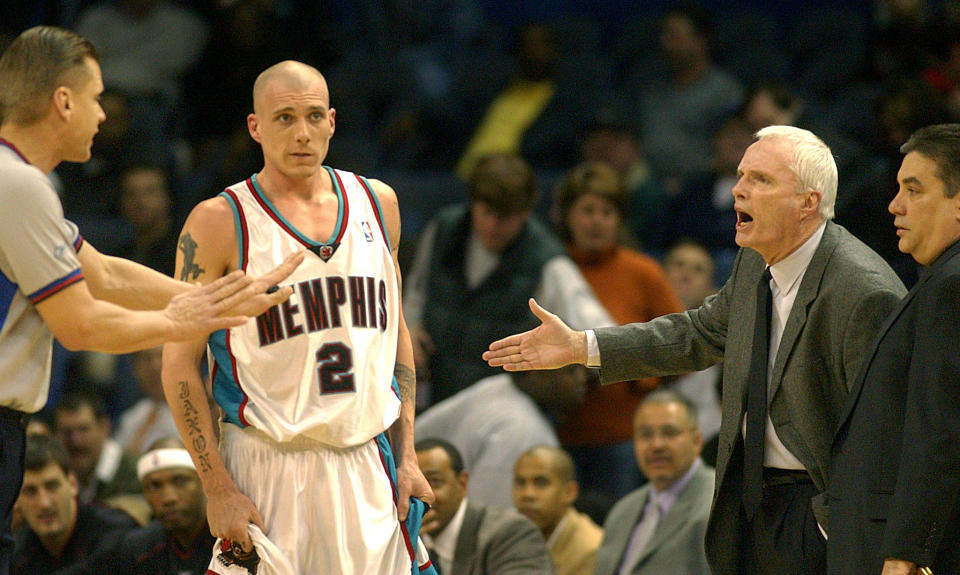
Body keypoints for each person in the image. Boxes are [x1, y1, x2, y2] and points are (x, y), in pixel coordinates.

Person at [483, 125, 908, 575]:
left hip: (819, 514)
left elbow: (886, 436)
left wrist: (832, 527)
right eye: (741, 175)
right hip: (751, 502)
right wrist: (581, 345)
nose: (739, 189)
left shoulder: (863, 292)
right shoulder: (755, 258)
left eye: (761, 180)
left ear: (809, 202)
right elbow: (700, 333)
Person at [0, 25, 299, 575]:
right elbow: (81, 325)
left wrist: (218, 297)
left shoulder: (15, 180)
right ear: (62, 102)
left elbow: (104, 273)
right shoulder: (15, 185)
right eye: (94, 98)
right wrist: (181, 319)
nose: (104, 114)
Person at [161, 60, 435, 574]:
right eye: (284, 118)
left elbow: (394, 331)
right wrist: (216, 486)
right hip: (266, 461)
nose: (302, 133)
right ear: (255, 127)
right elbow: (178, 364)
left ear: (332, 120)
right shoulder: (218, 222)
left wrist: (410, 452)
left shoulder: (379, 204)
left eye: (313, 116)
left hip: (366, 459)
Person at [828, 123, 960, 575]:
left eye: (914, 190)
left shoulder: (952, 286)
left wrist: (906, 553)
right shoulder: (940, 280)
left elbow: (939, 432)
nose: (894, 205)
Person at [404, 152, 612, 405]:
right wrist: (408, 330)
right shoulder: (444, 229)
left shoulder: (548, 262)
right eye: (487, 211)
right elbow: (416, 291)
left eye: (505, 217)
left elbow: (603, 338)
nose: (493, 225)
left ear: (525, 214)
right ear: (473, 203)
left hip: (499, 405)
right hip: (431, 390)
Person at [550, 160, 684, 504]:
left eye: (607, 212)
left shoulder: (644, 273)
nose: (597, 221)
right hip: (556, 433)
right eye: (588, 210)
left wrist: (639, 376)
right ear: (567, 216)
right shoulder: (548, 268)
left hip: (626, 436)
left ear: (620, 219)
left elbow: (684, 346)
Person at [416, 367, 587, 508]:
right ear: (538, 373)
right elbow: (491, 522)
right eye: (571, 371)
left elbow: (413, 433)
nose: (582, 379)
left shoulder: (496, 386)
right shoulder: (523, 431)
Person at [593, 390, 714, 575]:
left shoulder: (717, 503)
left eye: (670, 433)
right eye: (646, 434)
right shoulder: (623, 511)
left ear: (696, 441)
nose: (656, 445)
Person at [415, 439, 554, 575]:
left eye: (434, 481)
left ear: (462, 484)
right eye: (411, 485)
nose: (421, 496)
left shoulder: (510, 533)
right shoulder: (407, 539)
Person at [12, 434, 138, 575]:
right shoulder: (16, 556)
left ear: (72, 484)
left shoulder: (116, 533)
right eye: (30, 492)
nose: (44, 504)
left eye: (52, 486)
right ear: (15, 499)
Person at [107, 438, 216, 575]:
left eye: (180, 481)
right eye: (154, 486)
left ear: (203, 482)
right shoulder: (136, 548)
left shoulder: (234, 541)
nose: (168, 498)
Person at [512, 445, 603, 575]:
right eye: (520, 482)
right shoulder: (506, 538)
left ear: (569, 492)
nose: (528, 494)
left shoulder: (592, 550)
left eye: (541, 483)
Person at [53, 391, 141, 506]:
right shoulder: (57, 475)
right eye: (67, 432)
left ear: (104, 428)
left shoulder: (136, 475)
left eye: (83, 429)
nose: (76, 441)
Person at [114, 347, 179, 455]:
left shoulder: (202, 410)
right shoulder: (132, 418)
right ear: (135, 369)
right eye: (147, 359)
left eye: (161, 356)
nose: (155, 366)